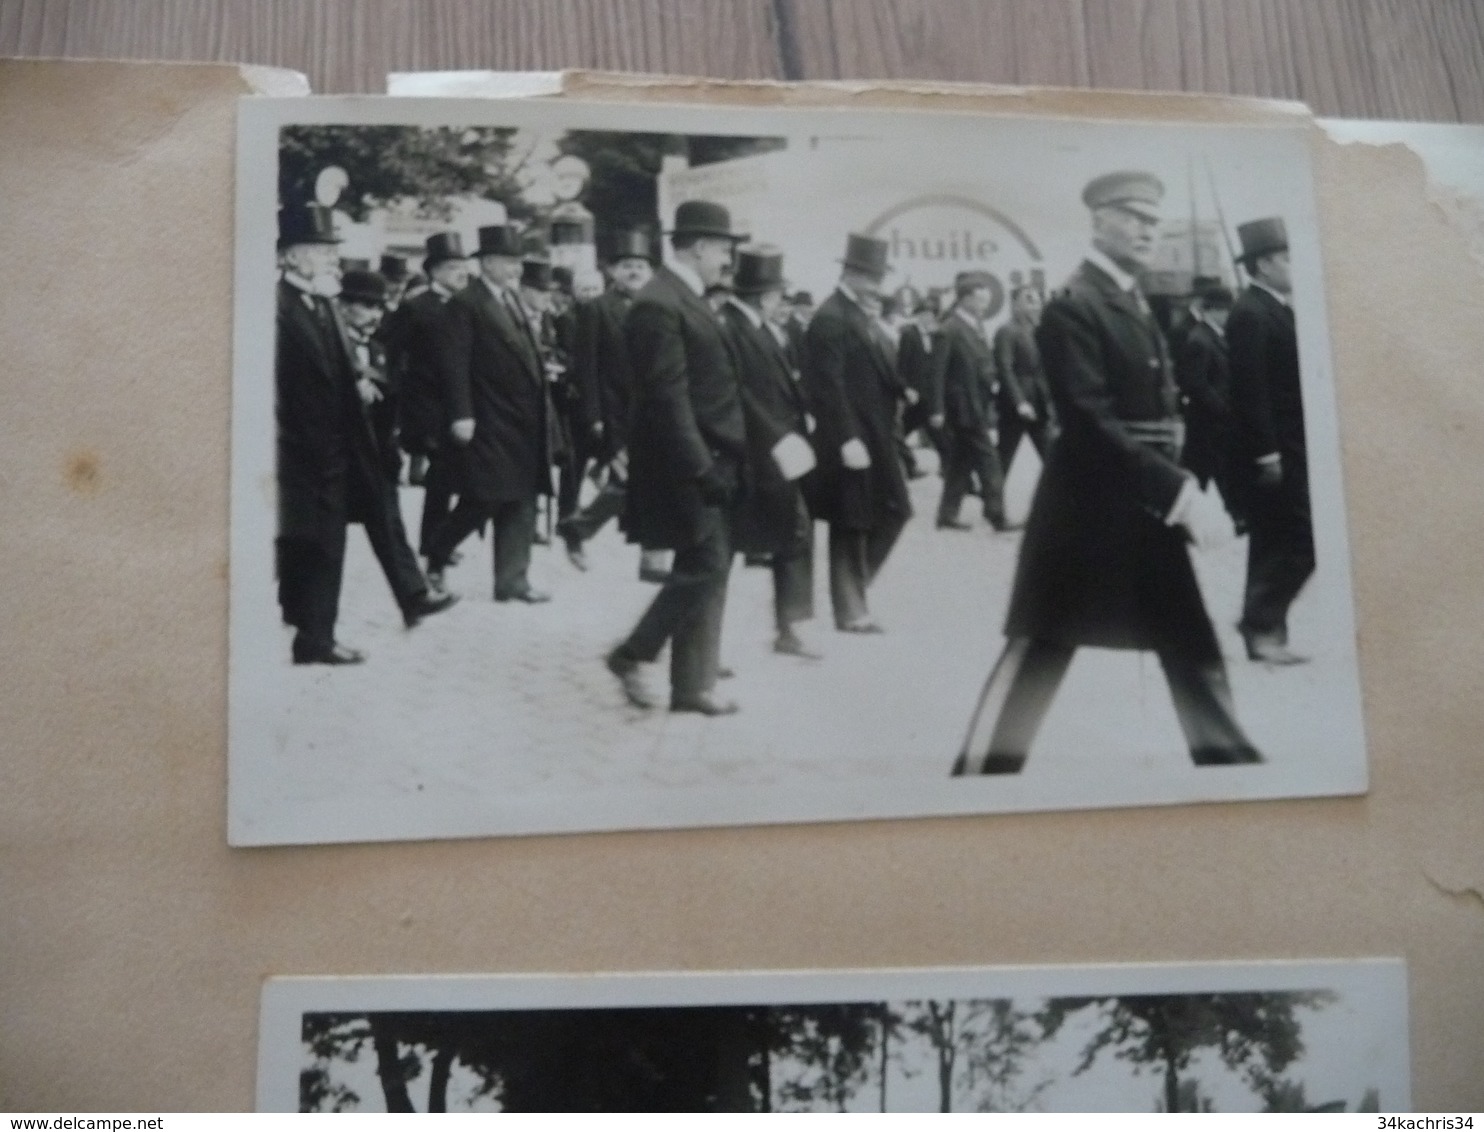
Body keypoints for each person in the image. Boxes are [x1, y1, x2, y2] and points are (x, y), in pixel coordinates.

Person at [953, 171, 1262, 775]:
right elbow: (1089, 421)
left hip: (1139, 506)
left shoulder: (1128, 298)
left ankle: (1235, 771)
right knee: (1041, 647)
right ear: (1099, 221)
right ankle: (974, 782)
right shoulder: (1074, 305)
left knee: (1191, 645)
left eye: (1154, 220)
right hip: (1086, 509)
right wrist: (1178, 491)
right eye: (1133, 217)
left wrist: (1177, 483)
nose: (1148, 230)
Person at [605, 201, 748, 716]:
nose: (727, 260)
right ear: (699, 246)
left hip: (710, 457)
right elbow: (667, 397)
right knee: (706, 566)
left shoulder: (685, 296)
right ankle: (633, 653)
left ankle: (690, 688)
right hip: (685, 464)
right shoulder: (658, 303)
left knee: (704, 565)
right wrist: (699, 468)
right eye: (724, 249)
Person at [423, 224, 552, 604]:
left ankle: (513, 580)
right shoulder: (467, 303)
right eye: (508, 262)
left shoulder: (511, 299)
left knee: (523, 497)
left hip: (522, 418)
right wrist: (461, 414)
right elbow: (454, 364)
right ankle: (436, 555)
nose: (515, 269)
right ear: (488, 263)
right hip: (489, 415)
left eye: (517, 262)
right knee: (484, 498)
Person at [273, 203, 377, 664]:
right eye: (319, 250)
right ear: (292, 256)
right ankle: (304, 630)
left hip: (334, 450)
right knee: (302, 546)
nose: (330, 258)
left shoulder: (325, 302)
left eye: (331, 250)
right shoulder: (278, 305)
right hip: (296, 453)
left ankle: (317, 638)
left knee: (329, 546)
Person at [802, 234, 912, 634]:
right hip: (849, 438)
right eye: (873, 276)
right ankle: (850, 608)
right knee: (852, 519)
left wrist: (902, 388)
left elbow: (872, 370)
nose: (879, 285)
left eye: (880, 276)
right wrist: (846, 438)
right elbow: (825, 386)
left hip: (876, 435)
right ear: (851, 273)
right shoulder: (831, 317)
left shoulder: (859, 315)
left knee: (895, 511)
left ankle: (853, 591)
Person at [336, 269, 458, 627]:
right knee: (310, 540)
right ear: (344, 307)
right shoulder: (334, 342)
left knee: (389, 524)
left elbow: (390, 397)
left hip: (372, 457)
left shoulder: (376, 349)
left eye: (378, 308)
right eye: (365, 307)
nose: (374, 316)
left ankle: (414, 597)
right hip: (335, 457)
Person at [719, 245, 821, 660]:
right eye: (779, 293)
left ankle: (789, 628)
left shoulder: (755, 328)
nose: (782, 301)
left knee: (794, 533)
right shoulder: (734, 330)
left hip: (771, 455)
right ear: (764, 296)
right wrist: (781, 436)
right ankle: (705, 648)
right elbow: (742, 395)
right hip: (753, 457)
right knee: (721, 554)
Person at [1228, 217, 1312, 665]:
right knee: (1303, 538)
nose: (1293, 266)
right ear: (1263, 265)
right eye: (1286, 258)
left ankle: (1265, 634)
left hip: (1289, 443)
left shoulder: (1274, 308)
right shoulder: (1251, 314)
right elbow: (1250, 389)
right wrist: (1267, 453)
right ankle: (1260, 623)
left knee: (1275, 539)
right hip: (1277, 448)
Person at [557, 229, 656, 570]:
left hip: (653, 410)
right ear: (613, 272)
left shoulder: (657, 306)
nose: (634, 272)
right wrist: (594, 413)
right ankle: (579, 527)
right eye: (627, 265)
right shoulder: (597, 309)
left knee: (642, 478)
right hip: (614, 409)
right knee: (629, 477)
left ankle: (646, 550)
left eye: (640, 266)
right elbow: (586, 366)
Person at [382, 231, 470, 557]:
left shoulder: (467, 306)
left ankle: (441, 538)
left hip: (461, 403)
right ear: (434, 271)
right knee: (441, 478)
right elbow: (392, 352)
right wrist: (400, 405)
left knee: (456, 474)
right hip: (428, 406)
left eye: (463, 267)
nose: (460, 273)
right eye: (452, 268)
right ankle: (433, 541)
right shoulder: (416, 307)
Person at [933, 271, 1011, 531]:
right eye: (980, 300)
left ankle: (947, 514)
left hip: (977, 402)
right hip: (963, 407)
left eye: (986, 301)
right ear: (965, 299)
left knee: (960, 462)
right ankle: (996, 514)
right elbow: (937, 373)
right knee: (990, 460)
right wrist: (937, 409)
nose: (984, 306)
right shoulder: (949, 329)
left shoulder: (974, 325)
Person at [1173, 279, 1242, 524]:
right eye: (1225, 311)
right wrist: (1223, 410)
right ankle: (1229, 515)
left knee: (1210, 472)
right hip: (1207, 423)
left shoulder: (1214, 336)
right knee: (1202, 473)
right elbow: (1196, 384)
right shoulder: (1199, 340)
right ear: (1212, 311)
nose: (1228, 316)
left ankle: (1235, 515)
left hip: (1214, 424)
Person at [992, 283, 1058, 468]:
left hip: (1039, 403)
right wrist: (1019, 402)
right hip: (1016, 407)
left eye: (1037, 301)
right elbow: (1005, 368)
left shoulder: (1037, 330)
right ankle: (991, 494)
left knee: (1051, 456)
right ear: (1015, 305)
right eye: (1029, 301)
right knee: (1004, 455)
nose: (1035, 305)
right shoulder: (1007, 331)